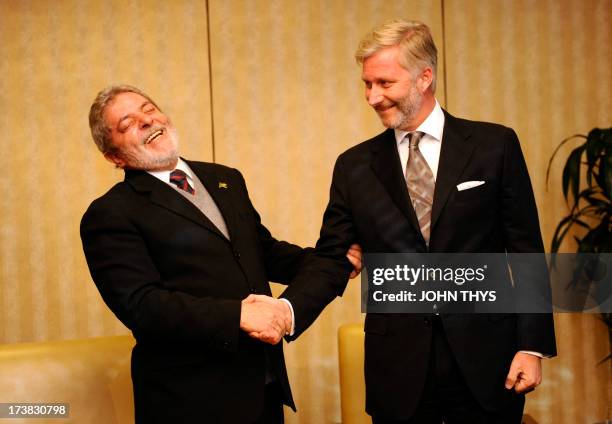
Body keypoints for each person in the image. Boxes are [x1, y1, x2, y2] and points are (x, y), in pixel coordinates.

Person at [281, 20, 557, 423]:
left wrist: (531, 347)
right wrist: (287, 310)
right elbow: (331, 257)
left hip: (487, 362)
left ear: (424, 77)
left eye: (384, 83)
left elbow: (526, 251)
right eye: (367, 84)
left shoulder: (493, 146)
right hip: (398, 371)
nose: (372, 97)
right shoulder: (353, 166)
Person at [80, 85, 361, 423]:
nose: (146, 120)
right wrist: (237, 315)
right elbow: (142, 306)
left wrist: (334, 259)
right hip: (189, 400)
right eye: (127, 123)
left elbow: (262, 253)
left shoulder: (224, 178)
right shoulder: (111, 213)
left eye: (148, 108)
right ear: (115, 157)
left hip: (263, 386)